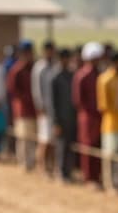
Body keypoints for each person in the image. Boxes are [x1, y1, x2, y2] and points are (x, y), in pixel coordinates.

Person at [97, 47, 118, 192]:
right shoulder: (105, 79)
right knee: (110, 156)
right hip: (110, 124)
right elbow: (103, 106)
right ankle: (110, 184)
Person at [74, 42, 104, 188]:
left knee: (98, 145)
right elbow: (78, 100)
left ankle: (97, 176)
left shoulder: (100, 75)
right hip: (87, 118)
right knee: (87, 146)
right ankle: (88, 177)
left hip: (99, 117)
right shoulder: (82, 76)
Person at [6, 41, 37, 170]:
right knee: (24, 138)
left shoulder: (33, 69)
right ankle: (24, 162)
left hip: (33, 110)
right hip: (22, 109)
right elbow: (13, 92)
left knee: (32, 138)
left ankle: (31, 162)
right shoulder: (16, 70)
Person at [32, 41, 58, 177]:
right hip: (45, 110)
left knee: (53, 141)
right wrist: (40, 107)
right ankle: (41, 165)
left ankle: (51, 166)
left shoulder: (55, 66)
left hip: (54, 110)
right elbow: (36, 89)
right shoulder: (39, 68)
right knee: (44, 140)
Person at [51, 48, 78, 182]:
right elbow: (53, 103)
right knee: (61, 146)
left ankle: (68, 171)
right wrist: (56, 122)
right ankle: (61, 172)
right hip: (61, 119)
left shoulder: (72, 76)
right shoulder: (55, 78)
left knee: (70, 146)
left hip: (71, 118)